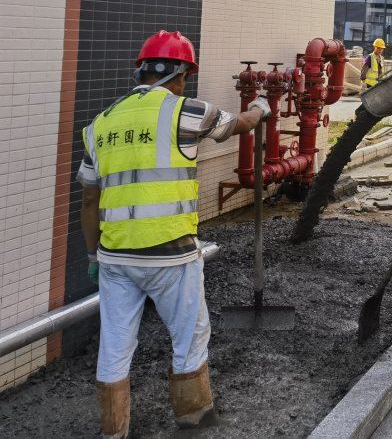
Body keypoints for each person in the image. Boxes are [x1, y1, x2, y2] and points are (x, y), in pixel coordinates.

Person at [79, 31, 269, 438]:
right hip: (171, 256)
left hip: (114, 258)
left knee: (114, 346)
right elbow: (241, 125)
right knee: (189, 336)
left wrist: (94, 257)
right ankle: (193, 421)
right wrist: (260, 106)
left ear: (142, 71)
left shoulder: (100, 124)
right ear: (181, 75)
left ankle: (113, 431)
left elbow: (88, 203)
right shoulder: (184, 111)